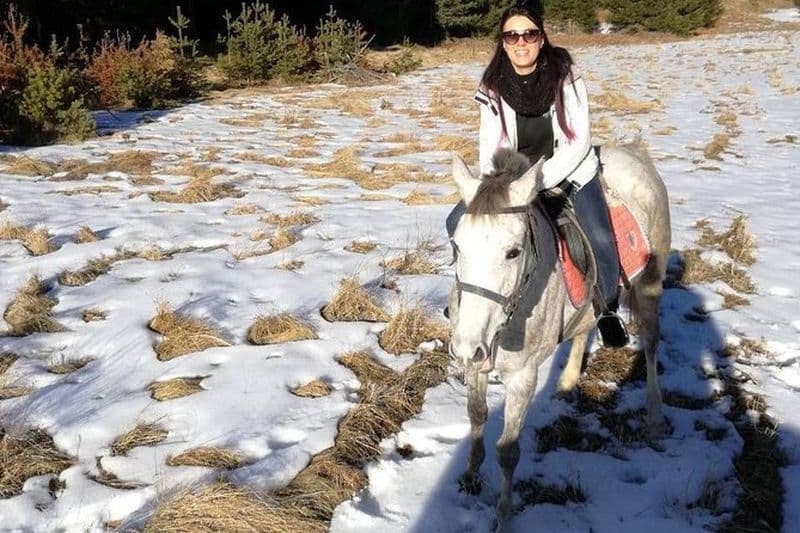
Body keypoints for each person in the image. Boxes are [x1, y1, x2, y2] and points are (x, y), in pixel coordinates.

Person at [448, 0, 628, 347]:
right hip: (512, 180)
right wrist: (498, 187)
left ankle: (607, 309)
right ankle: (470, 298)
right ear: (503, 42)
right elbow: (489, 145)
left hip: (570, 172)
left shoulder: (566, 76)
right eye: (511, 36)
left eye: (528, 34)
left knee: (601, 238)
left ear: (541, 38)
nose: (520, 42)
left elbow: (579, 139)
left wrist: (538, 183)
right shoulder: (492, 86)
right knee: (456, 222)